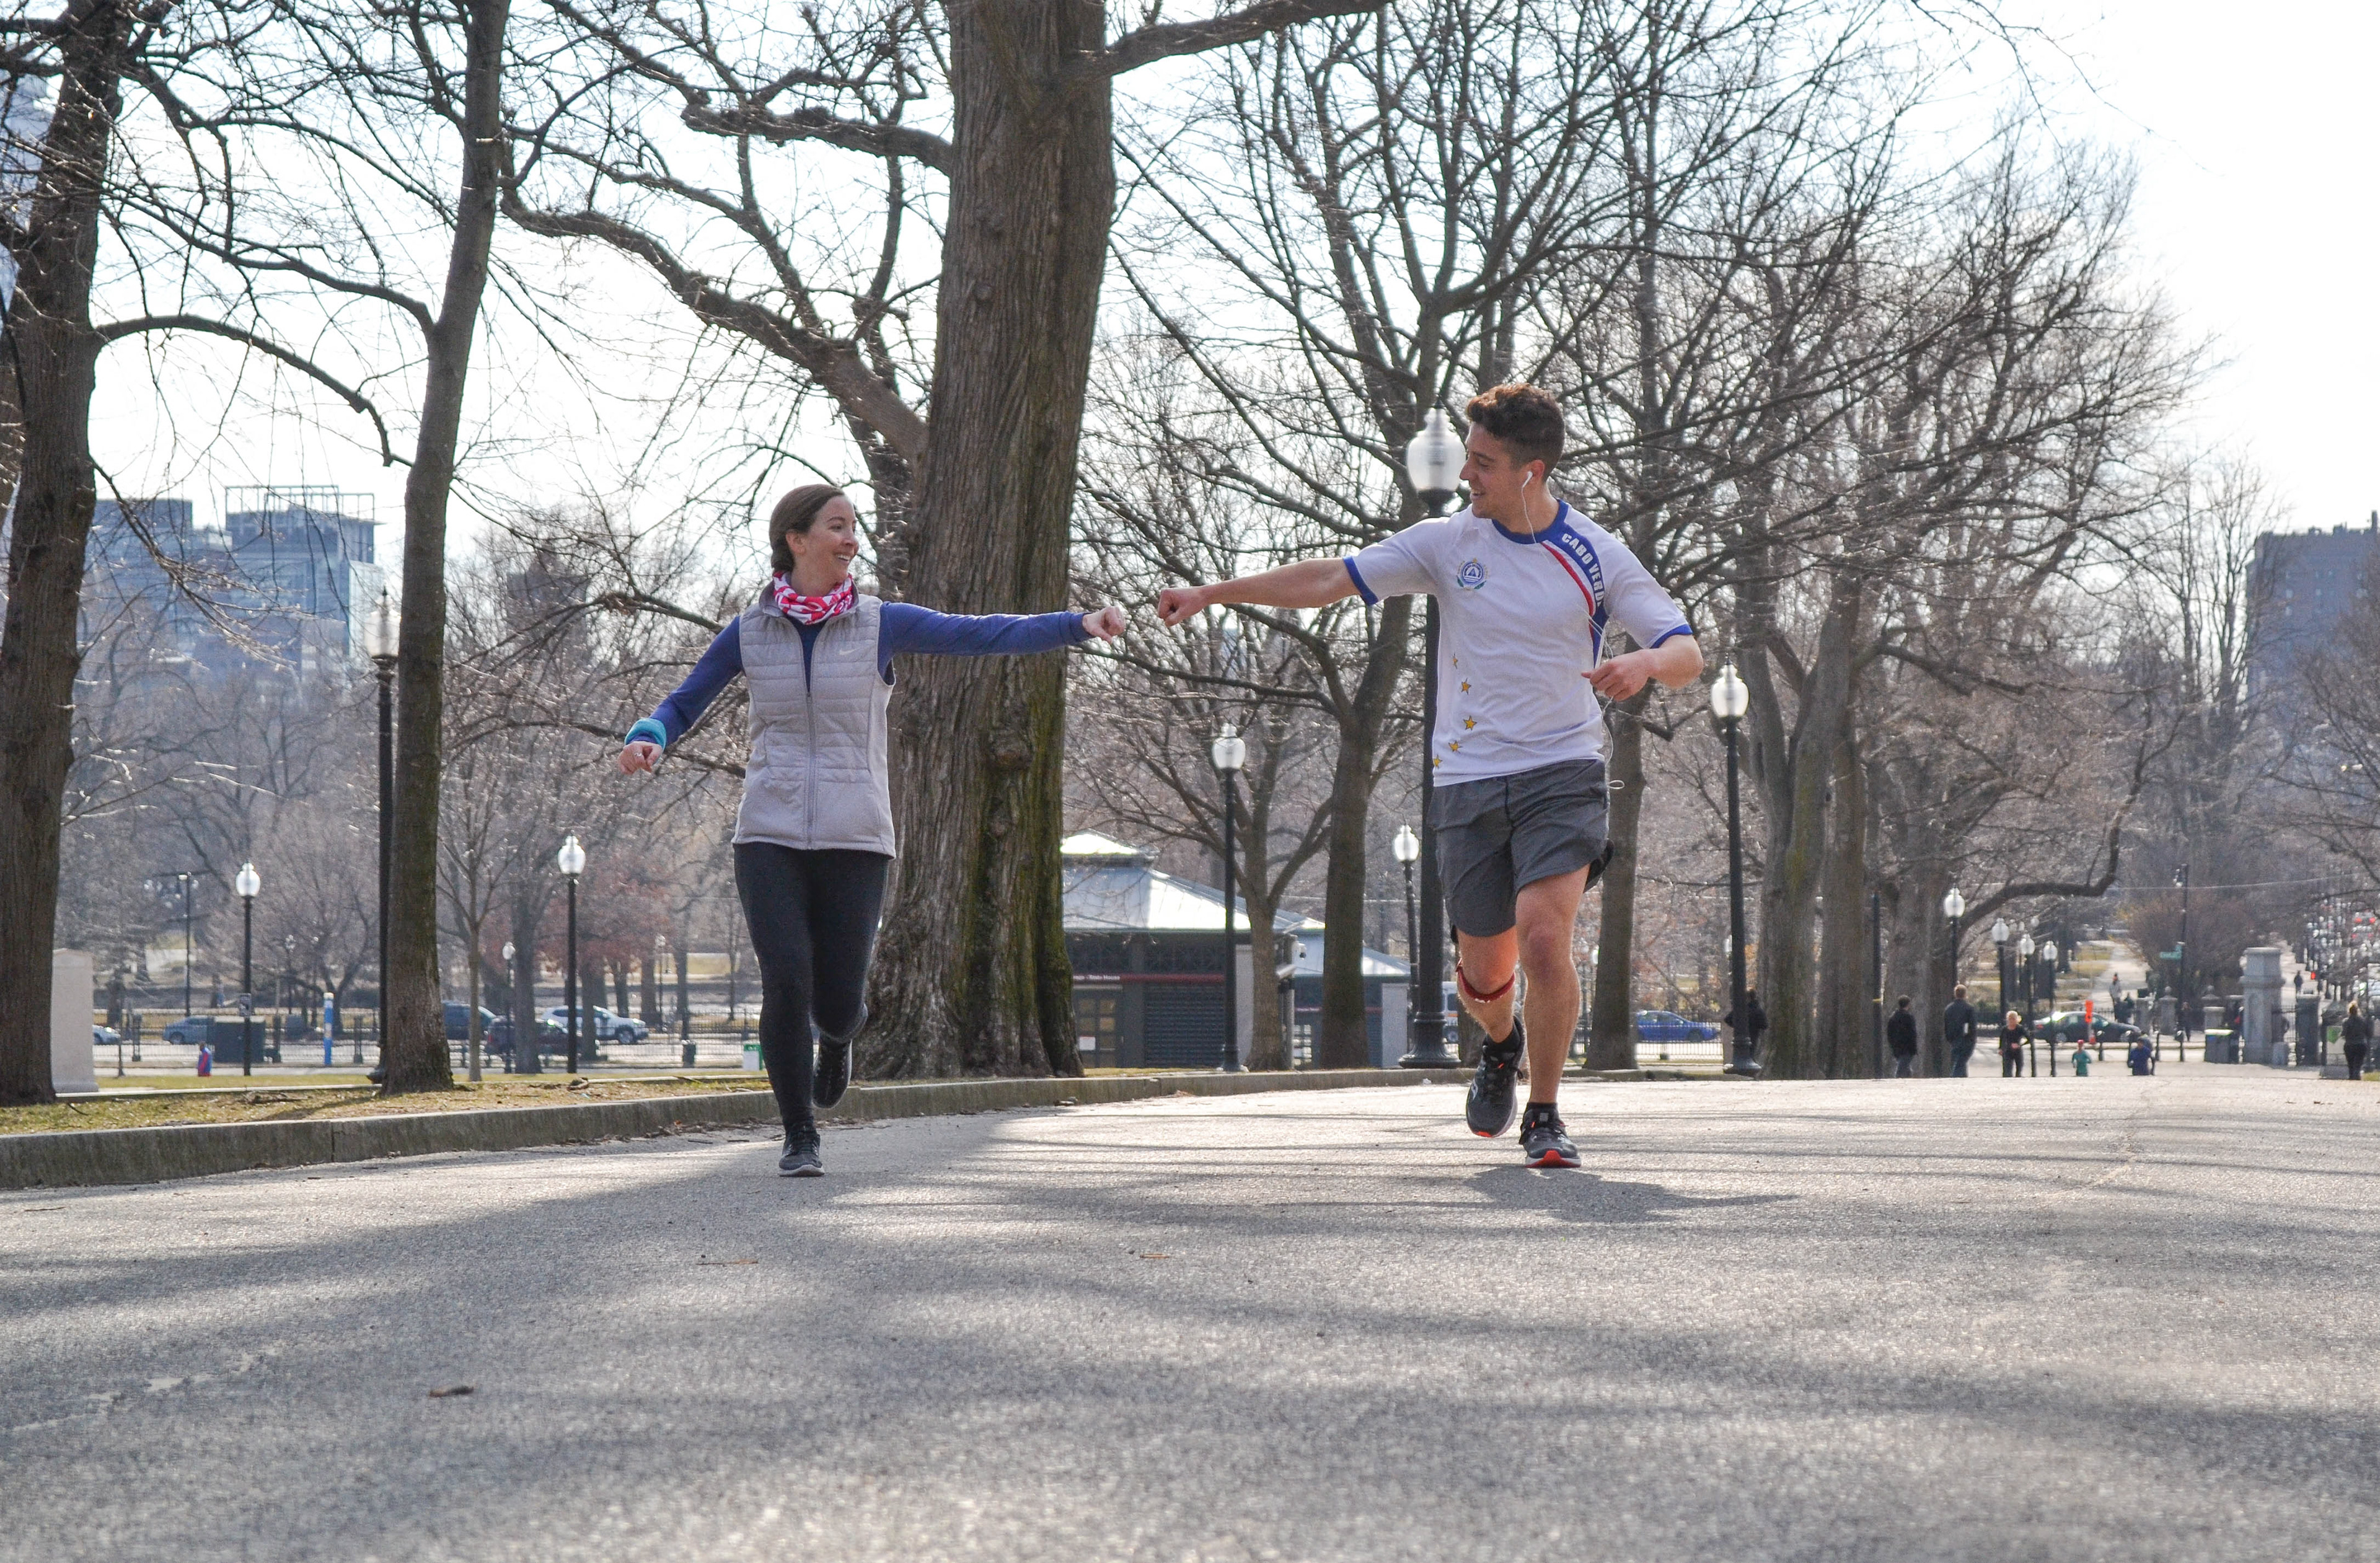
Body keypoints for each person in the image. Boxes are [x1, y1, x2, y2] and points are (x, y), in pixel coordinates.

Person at [1157, 384, 1701, 1168]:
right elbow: (1328, 580)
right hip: (1470, 777)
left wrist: (1646, 660)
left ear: (1532, 472)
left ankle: (1545, 1113)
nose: (1468, 476)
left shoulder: (1595, 553)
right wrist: (1216, 593)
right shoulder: (1449, 543)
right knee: (1485, 972)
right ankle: (1500, 1042)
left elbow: (1687, 654)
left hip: (1562, 769)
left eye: (1483, 463)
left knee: (1546, 940)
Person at [620, 485, 1124, 1176]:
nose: (851, 538)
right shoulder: (750, 630)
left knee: (837, 999)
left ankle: (840, 1034)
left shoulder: (879, 623)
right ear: (796, 540)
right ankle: (800, 1133)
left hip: (856, 834)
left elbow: (980, 633)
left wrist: (1078, 624)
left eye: (853, 527)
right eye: (837, 526)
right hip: (768, 829)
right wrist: (650, 736)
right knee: (786, 981)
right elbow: (685, 701)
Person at [1943, 984, 1978, 1077]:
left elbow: (1946, 1025)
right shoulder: (1969, 1008)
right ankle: (1954, 1078)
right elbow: (1972, 1026)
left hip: (1953, 1039)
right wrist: (1972, 1039)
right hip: (1966, 1039)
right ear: (1965, 994)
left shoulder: (1949, 1009)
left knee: (1960, 1062)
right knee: (1961, 1062)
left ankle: (1963, 1080)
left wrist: (1949, 1038)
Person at [1887, 996, 1918, 1077]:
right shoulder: (1909, 1017)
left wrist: (1892, 1044)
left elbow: (1889, 1034)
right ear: (1908, 1005)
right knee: (1902, 1068)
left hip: (1897, 1046)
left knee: (1906, 1067)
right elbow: (1912, 1034)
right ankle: (1899, 1080)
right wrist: (1914, 1048)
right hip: (1907, 1047)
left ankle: (1909, 1079)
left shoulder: (1893, 1018)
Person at [2344, 1002, 2372, 1080]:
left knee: (2351, 1064)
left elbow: (2344, 1033)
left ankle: (2351, 1077)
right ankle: (2357, 1075)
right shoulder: (2363, 1021)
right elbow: (2369, 1033)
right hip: (2361, 1044)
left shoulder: (2346, 1021)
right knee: (2359, 1063)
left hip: (2350, 1045)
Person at [2000, 1011, 2027, 1078]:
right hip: (2008, 1051)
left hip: (2018, 1051)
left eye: (2014, 1019)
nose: (2012, 1021)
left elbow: (2028, 1039)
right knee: (2007, 1071)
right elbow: (2002, 1039)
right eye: (2010, 1019)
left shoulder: (2020, 1028)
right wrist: (2001, 1048)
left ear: (2017, 1019)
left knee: (2019, 1069)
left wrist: (2019, 1045)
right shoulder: (2005, 1029)